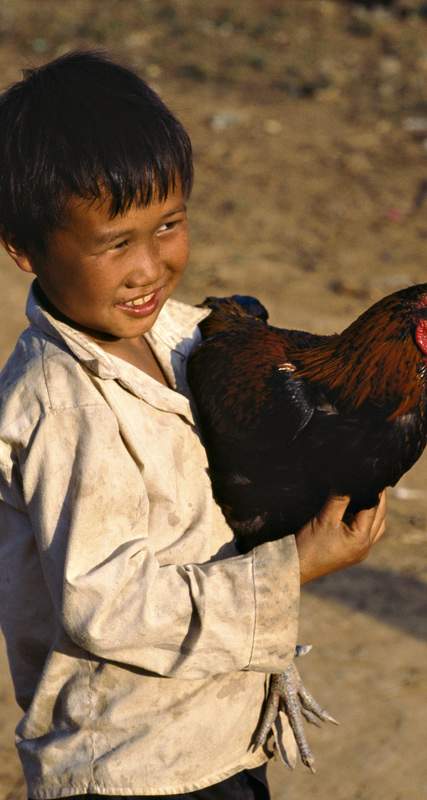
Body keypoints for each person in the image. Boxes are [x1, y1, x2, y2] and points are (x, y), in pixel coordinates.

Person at [0, 51, 386, 800]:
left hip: (211, 733)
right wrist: (290, 568)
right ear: (25, 249)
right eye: (115, 243)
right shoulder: (63, 406)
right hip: (129, 763)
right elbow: (108, 606)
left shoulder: (187, 339)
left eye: (168, 224)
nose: (149, 266)